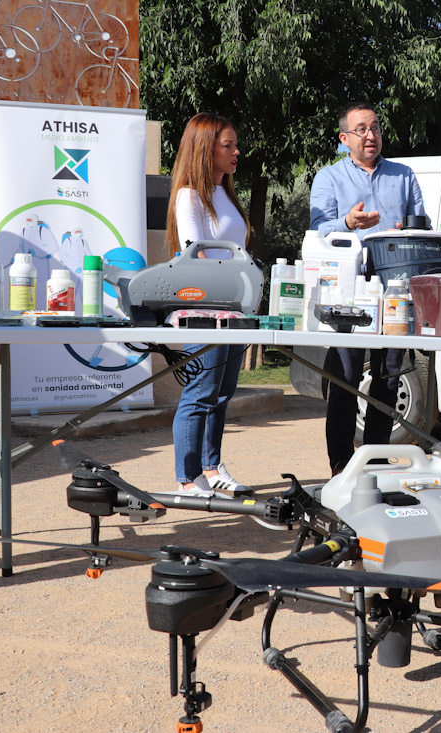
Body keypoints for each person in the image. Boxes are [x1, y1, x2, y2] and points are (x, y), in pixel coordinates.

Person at [309, 103, 425, 475]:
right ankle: (340, 467)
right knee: (344, 379)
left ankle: (375, 461)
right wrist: (347, 221)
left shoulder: (404, 176)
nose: (370, 135)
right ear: (344, 138)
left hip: (395, 292)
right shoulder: (328, 178)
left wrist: (403, 232)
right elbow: (317, 230)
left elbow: (421, 227)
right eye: (361, 129)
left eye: (375, 127)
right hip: (347, 291)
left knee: (388, 376)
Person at [163, 112, 253, 496]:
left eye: (235, 144)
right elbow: (194, 254)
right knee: (200, 393)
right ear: (205, 148)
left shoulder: (225, 195)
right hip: (203, 311)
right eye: (227, 145)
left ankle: (211, 468)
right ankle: (187, 478)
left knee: (221, 394)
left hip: (233, 308)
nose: (236, 152)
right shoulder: (189, 196)